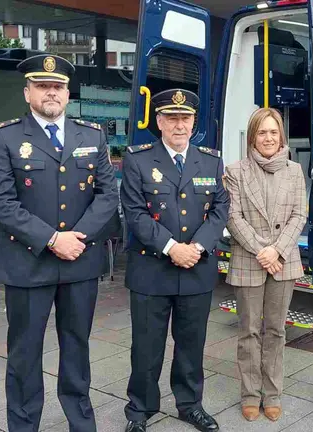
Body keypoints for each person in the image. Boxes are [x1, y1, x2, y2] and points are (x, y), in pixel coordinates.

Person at [0, 54, 119, 431]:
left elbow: (108, 194)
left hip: (79, 261)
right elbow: (0, 201)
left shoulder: (92, 135)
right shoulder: (6, 136)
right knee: (25, 353)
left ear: (68, 92)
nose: (51, 93)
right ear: (27, 91)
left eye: (57, 86)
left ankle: (81, 422)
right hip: (28, 264)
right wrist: (51, 239)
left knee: (77, 348)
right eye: (42, 86)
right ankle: (24, 425)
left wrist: (78, 238)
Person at [120, 88, 229, 432]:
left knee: (191, 345)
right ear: (159, 121)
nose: (179, 125)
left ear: (194, 122)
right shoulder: (138, 159)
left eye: (185, 118)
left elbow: (221, 209)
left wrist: (197, 247)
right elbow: (135, 215)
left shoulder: (211, 160)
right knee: (146, 347)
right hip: (152, 271)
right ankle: (139, 410)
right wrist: (171, 247)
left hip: (196, 269)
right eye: (172, 118)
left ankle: (189, 404)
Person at [223, 108, 306, 422]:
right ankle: (249, 394)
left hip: (283, 261)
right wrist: (263, 250)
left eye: (274, 132)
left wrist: (278, 250)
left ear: (281, 136)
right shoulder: (236, 171)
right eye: (262, 132)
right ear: (252, 137)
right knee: (249, 332)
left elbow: (299, 215)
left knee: (275, 331)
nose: (268, 138)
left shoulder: (294, 171)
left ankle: (272, 394)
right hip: (250, 260)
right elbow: (233, 217)